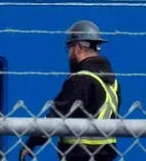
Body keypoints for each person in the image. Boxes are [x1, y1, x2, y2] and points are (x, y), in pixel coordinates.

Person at [19, 20, 120, 161]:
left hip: (79, 155)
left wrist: (32, 142)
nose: (69, 55)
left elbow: (56, 116)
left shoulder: (81, 80)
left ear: (77, 47)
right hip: (105, 156)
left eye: (69, 49)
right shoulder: (111, 82)